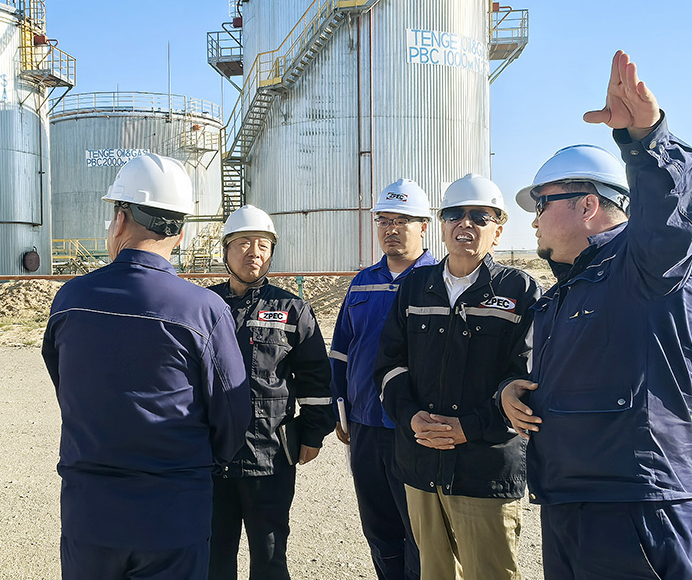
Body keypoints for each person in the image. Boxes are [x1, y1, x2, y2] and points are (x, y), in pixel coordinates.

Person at [500, 50, 692, 579]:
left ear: (587, 205)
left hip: (632, 504)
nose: (534, 221)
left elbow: (668, 216)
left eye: (542, 204)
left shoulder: (643, 265)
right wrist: (512, 391)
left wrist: (647, 142)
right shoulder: (563, 292)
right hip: (568, 499)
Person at [42, 153, 251, 580]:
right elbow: (232, 415)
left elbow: (66, 384)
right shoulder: (204, 309)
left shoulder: (70, 300)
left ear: (120, 219)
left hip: (90, 509)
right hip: (174, 511)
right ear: (180, 231)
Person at [374, 174, 541, 580]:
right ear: (442, 224)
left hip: (483, 471)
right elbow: (389, 365)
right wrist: (410, 416)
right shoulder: (415, 287)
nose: (465, 223)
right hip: (421, 464)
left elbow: (526, 380)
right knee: (433, 573)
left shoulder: (520, 291)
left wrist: (468, 428)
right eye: (454, 214)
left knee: (490, 573)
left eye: (480, 216)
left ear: (498, 230)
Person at [207, 204, 335, 580]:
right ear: (226, 250)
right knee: (213, 556)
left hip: (269, 456)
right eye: (244, 243)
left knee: (270, 556)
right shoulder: (204, 307)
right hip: (211, 455)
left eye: (263, 245)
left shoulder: (292, 309)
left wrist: (313, 434)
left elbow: (315, 378)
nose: (254, 252)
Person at [330, 178, 437, 580]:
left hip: (413, 428)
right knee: (378, 528)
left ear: (423, 226)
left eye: (402, 221)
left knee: (421, 532)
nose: (391, 229)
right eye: (384, 221)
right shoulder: (364, 281)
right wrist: (341, 409)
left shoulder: (437, 281)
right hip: (364, 426)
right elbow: (341, 349)